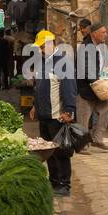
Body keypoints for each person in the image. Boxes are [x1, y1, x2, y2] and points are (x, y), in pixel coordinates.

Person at [30, 30, 77, 197]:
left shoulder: (63, 62)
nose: (40, 50)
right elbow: (38, 87)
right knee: (48, 151)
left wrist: (69, 110)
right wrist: (35, 105)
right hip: (44, 115)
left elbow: (69, 88)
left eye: (42, 47)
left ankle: (64, 185)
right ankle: (54, 181)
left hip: (58, 115)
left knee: (61, 152)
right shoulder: (42, 62)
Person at [76, 22, 108, 149]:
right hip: (86, 89)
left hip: (98, 88)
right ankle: (82, 145)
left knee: (105, 110)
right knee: (83, 119)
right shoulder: (86, 47)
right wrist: (96, 82)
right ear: (94, 34)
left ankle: (97, 137)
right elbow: (86, 69)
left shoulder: (98, 47)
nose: (105, 35)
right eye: (103, 33)